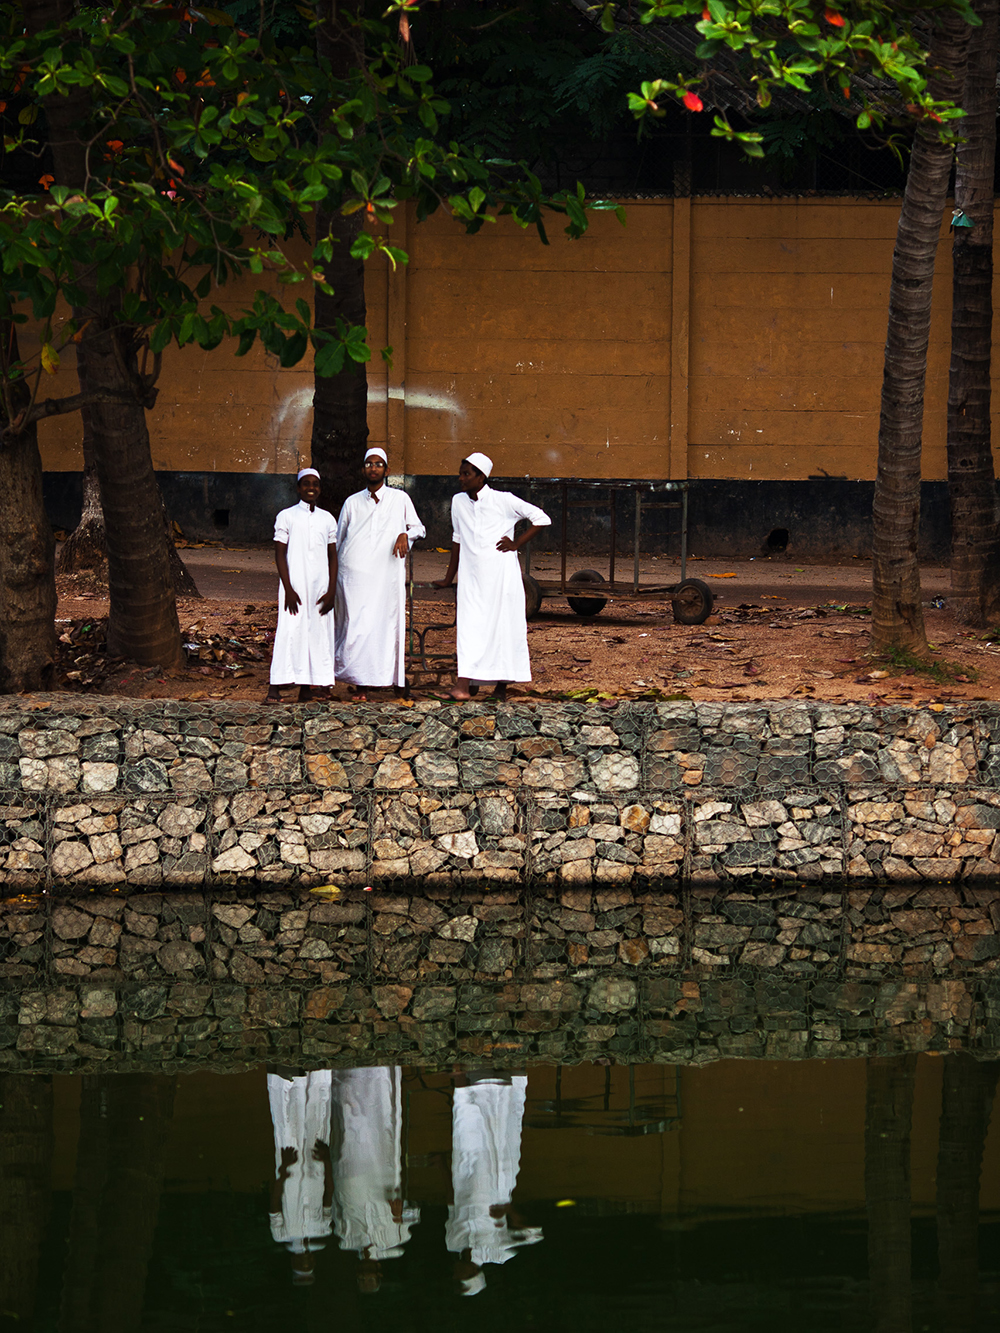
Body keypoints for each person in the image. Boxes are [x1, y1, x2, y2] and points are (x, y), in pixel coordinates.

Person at [432, 452, 551, 701]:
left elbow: (541, 518)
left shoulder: (503, 500)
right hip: (470, 577)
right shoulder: (458, 502)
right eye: (460, 473)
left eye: (466, 474)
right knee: (469, 627)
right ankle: (466, 684)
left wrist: (516, 542)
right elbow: (457, 540)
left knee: (502, 628)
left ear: (481, 477)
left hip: (501, 576)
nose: (461, 478)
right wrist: (448, 578)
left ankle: (500, 688)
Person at [334, 448, 426, 701]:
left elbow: (419, 527)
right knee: (356, 625)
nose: (373, 468)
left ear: (386, 470)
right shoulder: (352, 502)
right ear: (363, 469)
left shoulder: (400, 499)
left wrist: (406, 534)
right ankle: (360, 684)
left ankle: (394, 680)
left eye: (378, 464)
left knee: (386, 625)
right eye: (368, 464)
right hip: (354, 576)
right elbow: (339, 539)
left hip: (386, 575)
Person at [447, 1072, 542, 1296]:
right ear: (472, 1274)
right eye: (461, 1278)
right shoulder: (498, 1254)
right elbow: (535, 1235)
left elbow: (451, 1207)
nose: (455, 1274)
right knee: (497, 1133)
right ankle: (504, 1080)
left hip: (462, 1180)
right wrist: (509, 1211)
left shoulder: (453, 1243)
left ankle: (463, 1082)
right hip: (495, 1182)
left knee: (465, 1132)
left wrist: (442, 1167)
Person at [329, 1066, 420, 1293]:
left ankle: (349, 1070)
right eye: (367, 1274)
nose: (363, 1271)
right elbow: (415, 1211)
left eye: (361, 1275)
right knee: (379, 1123)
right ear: (379, 1270)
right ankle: (376, 1071)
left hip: (349, 1177)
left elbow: (333, 1204)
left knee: (350, 1120)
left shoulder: (344, 1238)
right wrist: (400, 1215)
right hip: (382, 1173)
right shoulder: (396, 1241)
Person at [266, 467, 338, 704]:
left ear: (319, 489)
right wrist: (287, 588)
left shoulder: (327, 519)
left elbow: (332, 557)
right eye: (306, 484)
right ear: (298, 488)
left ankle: (307, 687)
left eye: (315, 484)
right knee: (290, 629)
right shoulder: (286, 516)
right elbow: (279, 555)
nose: (311, 488)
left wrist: (331, 592)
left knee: (316, 632)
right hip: (294, 585)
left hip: (320, 587)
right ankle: (275, 687)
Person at [267, 1066, 334, 1286]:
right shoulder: (324, 1229)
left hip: (290, 1172)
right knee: (317, 1117)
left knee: (288, 1125)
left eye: (301, 1263)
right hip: (316, 1168)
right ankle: (316, 1069)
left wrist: (283, 1170)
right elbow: (328, 1196)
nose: (306, 1259)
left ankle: (284, 1073)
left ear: (294, 1261)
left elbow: (275, 1203)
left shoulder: (281, 1234)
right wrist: (327, 1161)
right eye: (309, 1262)